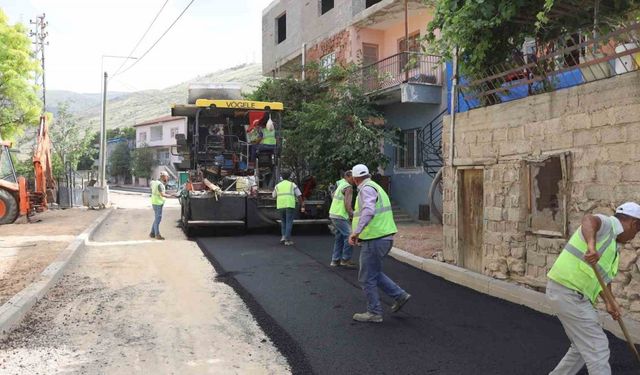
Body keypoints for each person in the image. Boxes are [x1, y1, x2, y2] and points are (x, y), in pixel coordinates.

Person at [546, 202, 640, 374]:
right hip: (568, 292)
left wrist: (610, 302)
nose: (635, 236)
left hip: (568, 293)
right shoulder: (608, 225)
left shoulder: (613, 245)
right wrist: (591, 245)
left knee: (582, 348)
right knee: (598, 347)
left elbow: (604, 279)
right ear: (634, 223)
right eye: (637, 230)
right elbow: (589, 220)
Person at [348, 164, 411, 323]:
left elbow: (368, 211)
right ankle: (400, 295)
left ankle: (374, 312)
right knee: (374, 273)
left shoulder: (366, 189)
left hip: (375, 239)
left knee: (366, 277)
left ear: (355, 179)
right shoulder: (376, 186)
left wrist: (356, 232)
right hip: (384, 237)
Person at [328, 171, 357, 269]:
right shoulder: (348, 187)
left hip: (334, 214)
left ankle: (335, 260)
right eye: (353, 177)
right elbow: (347, 204)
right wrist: (352, 214)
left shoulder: (341, 184)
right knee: (350, 235)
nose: (355, 179)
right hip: (340, 215)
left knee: (339, 237)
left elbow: (333, 197)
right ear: (348, 177)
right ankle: (345, 259)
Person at [273, 170, 304, 246]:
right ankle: (287, 240)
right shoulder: (292, 185)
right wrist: (302, 204)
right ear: (289, 177)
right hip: (289, 205)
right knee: (289, 222)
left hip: (280, 205)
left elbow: (273, 195)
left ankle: (283, 237)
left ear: (281, 177)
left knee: (283, 222)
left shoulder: (278, 185)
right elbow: (299, 195)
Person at [149, 171, 174, 240]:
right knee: (158, 219)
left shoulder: (155, 182)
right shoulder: (160, 184)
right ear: (163, 177)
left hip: (154, 202)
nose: (167, 178)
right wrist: (172, 196)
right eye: (167, 177)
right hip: (158, 203)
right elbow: (162, 194)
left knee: (156, 218)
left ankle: (152, 233)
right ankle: (157, 235)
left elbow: (157, 191)